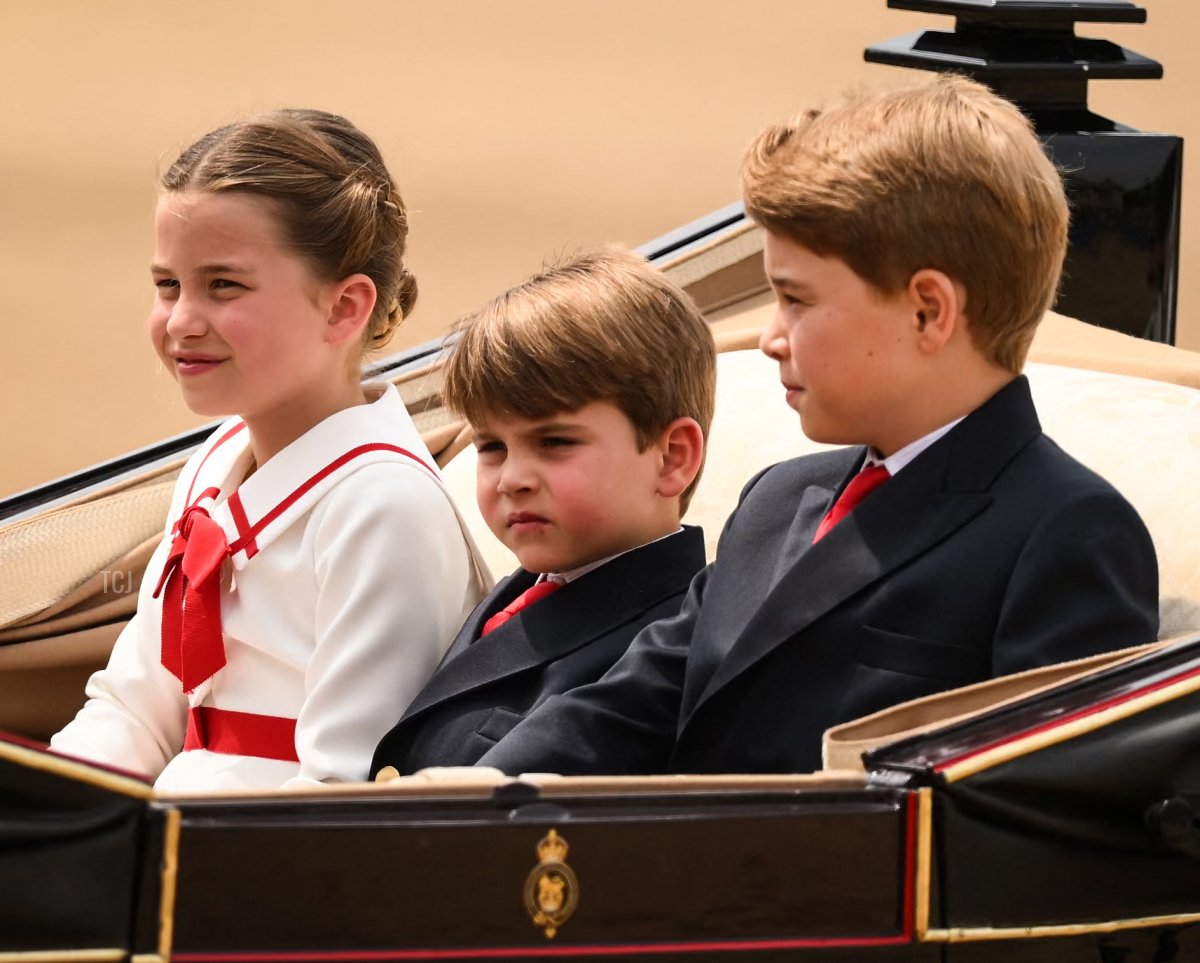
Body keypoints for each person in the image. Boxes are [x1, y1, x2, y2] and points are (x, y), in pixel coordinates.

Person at [475, 75, 1160, 777]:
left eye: (795, 300)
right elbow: (631, 702)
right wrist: (466, 796)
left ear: (927, 311)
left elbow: (1043, 825)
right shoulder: (776, 499)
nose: (771, 337)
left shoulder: (1065, 530)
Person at [51, 109, 489, 791]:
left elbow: (337, 792)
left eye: (224, 285)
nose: (182, 320)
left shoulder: (383, 509)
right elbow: (136, 708)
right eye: (167, 285)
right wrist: (45, 813)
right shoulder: (213, 463)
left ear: (345, 307)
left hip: (261, 871)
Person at [370, 247, 714, 776]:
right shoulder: (511, 595)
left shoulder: (672, 645)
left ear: (671, 458)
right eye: (491, 447)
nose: (512, 478)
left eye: (554, 442)